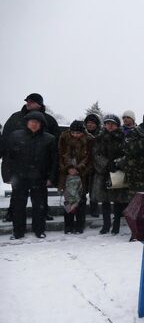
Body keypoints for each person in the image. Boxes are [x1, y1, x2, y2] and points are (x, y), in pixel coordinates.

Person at [2, 93, 60, 223]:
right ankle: (12, 213)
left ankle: (43, 212)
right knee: (17, 194)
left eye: (32, 102)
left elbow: (56, 142)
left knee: (41, 194)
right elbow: (6, 138)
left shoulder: (49, 120)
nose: (28, 103)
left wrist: (53, 169)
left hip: (40, 166)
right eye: (27, 101)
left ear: (40, 104)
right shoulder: (15, 117)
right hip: (19, 165)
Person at [91, 114, 129, 234]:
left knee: (118, 201)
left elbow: (127, 154)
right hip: (103, 172)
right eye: (107, 123)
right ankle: (106, 224)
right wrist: (107, 164)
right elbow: (96, 154)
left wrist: (117, 163)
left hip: (117, 172)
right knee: (105, 200)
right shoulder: (100, 137)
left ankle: (116, 224)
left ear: (117, 125)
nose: (110, 126)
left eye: (112, 124)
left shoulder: (123, 137)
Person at [58, 120, 93, 234]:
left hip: (82, 174)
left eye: (78, 133)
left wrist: (80, 168)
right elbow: (61, 155)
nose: (76, 135)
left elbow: (90, 157)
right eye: (74, 133)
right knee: (69, 201)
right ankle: (68, 226)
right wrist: (68, 167)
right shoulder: (64, 138)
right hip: (67, 174)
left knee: (81, 201)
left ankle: (79, 226)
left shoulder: (89, 140)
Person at [84, 113, 101, 217]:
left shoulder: (100, 135)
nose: (90, 125)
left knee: (94, 189)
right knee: (82, 189)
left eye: (92, 123)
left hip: (96, 165)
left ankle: (94, 208)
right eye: (88, 123)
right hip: (84, 165)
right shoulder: (82, 134)